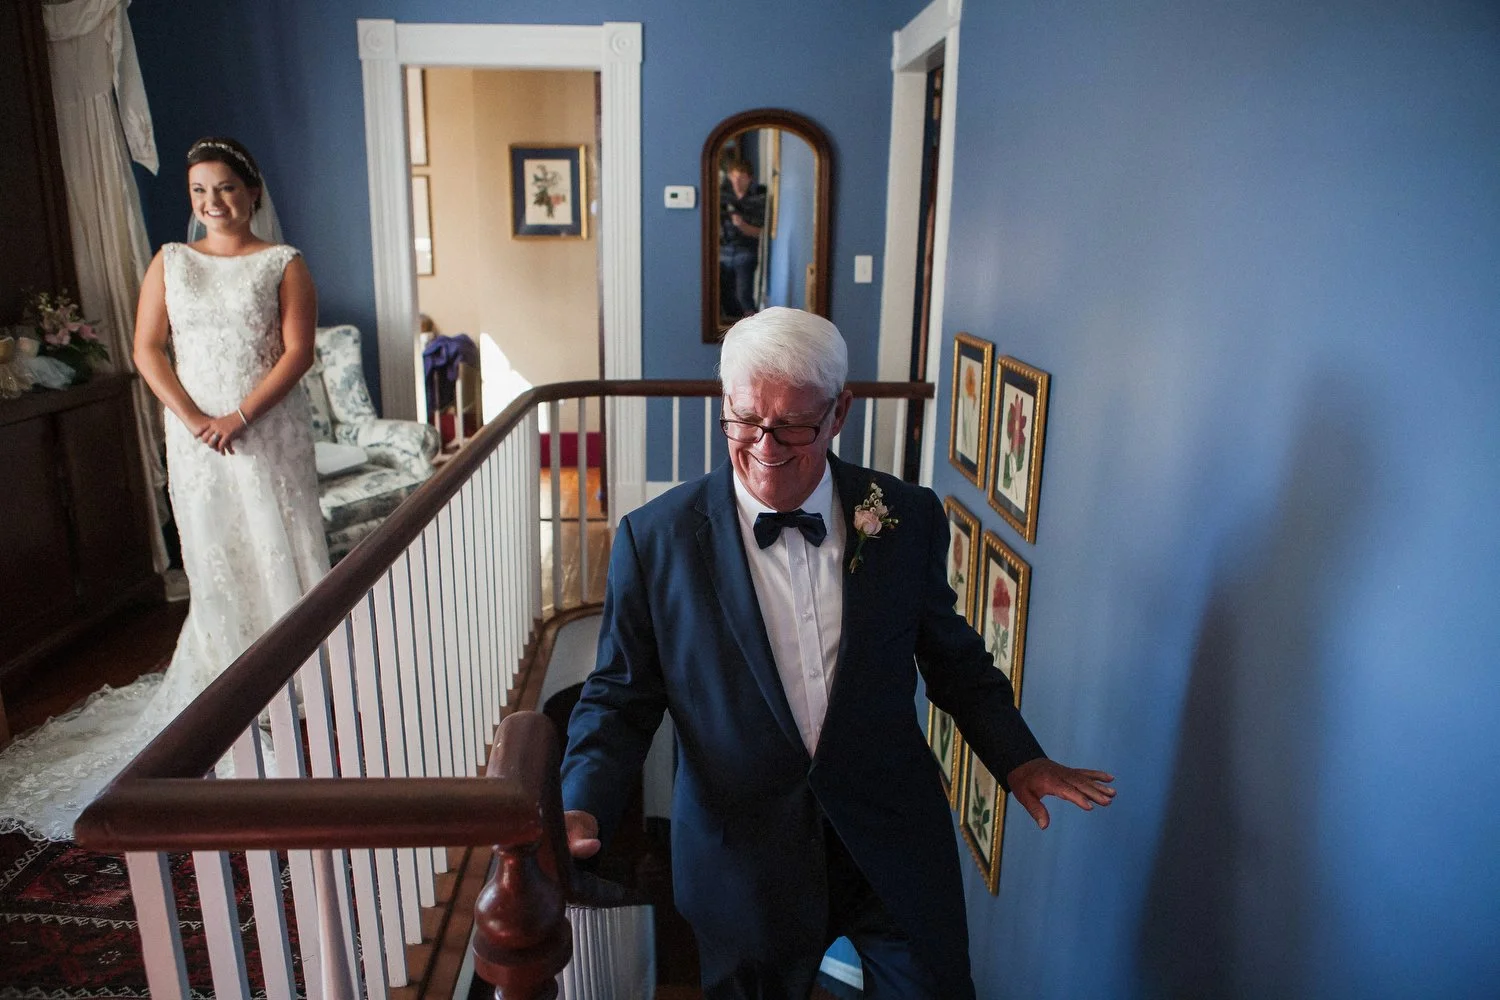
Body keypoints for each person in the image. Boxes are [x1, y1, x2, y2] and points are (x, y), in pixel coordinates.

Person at [561, 307, 1115, 999]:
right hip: (744, 859)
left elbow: (954, 662)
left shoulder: (904, 517)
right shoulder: (656, 541)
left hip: (891, 841)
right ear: (723, 406)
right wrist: (581, 802)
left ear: (839, 411)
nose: (766, 445)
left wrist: (1018, 756)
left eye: (794, 424)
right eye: (745, 419)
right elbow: (620, 696)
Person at [0, 137, 329, 841]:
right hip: (197, 438)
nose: (213, 203)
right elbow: (147, 348)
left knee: (279, 543)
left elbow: (298, 351)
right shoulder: (170, 261)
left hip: (266, 433)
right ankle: (222, 689)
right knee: (214, 556)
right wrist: (193, 418)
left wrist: (239, 415)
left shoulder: (283, 263)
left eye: (225, 189)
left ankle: (297, 687)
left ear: (254, 191)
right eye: (199, 192)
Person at [718, 157, 766, 319]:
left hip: (745, 251)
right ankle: (734, 329)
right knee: (724, 296)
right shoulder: (723, 197)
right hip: (723, 251)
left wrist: (741, 225)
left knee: (743, 295)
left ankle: (753, 327)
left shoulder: (758, 198)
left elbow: (758, 232)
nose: (736, 182)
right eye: (733, 177)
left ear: (749, 178)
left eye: (741, 178)